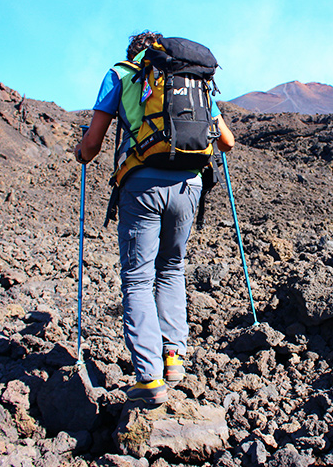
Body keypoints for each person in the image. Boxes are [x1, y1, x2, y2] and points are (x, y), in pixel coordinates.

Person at [73, 30, 234, 405]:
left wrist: (81, 153)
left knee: (138, 278)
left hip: (142, 185)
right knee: (172, 268)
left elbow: (93, 144)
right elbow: (226, 142)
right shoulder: (190, 77)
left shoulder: (120, 74)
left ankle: (149, 378)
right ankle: (173, 356)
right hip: (189, 187)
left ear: (134, 55)